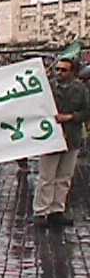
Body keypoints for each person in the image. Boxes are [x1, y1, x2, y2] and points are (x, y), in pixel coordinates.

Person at [34, 58, 90, 227]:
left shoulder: (81, 90)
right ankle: (41, 211)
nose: (59, 73)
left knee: (64, 177)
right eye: (57, 69)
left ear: (72, 72)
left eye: (63, 70)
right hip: (50, 137)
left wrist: (71, 117)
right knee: (46, 176)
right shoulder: (48, 87)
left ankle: (57, 210)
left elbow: (87, 111)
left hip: (71, 137)